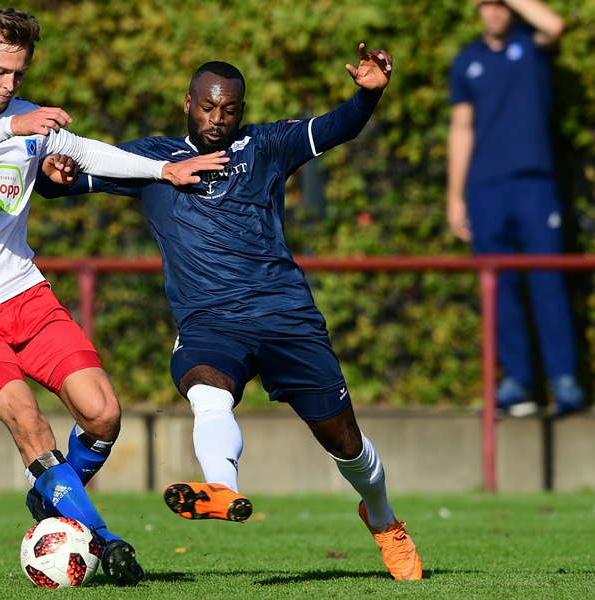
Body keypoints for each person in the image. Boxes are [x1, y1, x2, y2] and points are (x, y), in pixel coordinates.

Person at [35, 46, 423, 581]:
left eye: (229, 110)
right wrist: (54, 173)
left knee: (346, 444)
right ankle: (221, 489)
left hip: (287, 315)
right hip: (211, 322)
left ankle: (383, 521)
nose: (218, 119)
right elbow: (68, 181)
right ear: (187, 102)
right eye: (208, 107)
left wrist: (369, 94)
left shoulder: (267, 145)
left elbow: (339, 127)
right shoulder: (155, 161)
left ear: (241, 110)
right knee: (208, 393)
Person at [0, 7, 227, 586]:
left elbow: (92, 151)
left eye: (18, 74)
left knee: (103, 413)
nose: (9, 86)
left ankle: (52, 500)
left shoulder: (25, 118)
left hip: (23, 294)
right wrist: (13, 129)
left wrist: (164, 172)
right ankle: (104, 537)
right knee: (30, 424)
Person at [447, 0, 583, 417]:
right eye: (486, 4)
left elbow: (554, 24)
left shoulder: (532, 45)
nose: (494, 10)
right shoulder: (466, 61)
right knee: (498, 289)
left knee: (548, 281)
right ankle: (518, 382)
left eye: (500, 3)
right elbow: (461, 128)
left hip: (534, 183)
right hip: (486, 189)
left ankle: (564, 381)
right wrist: (455, 196)